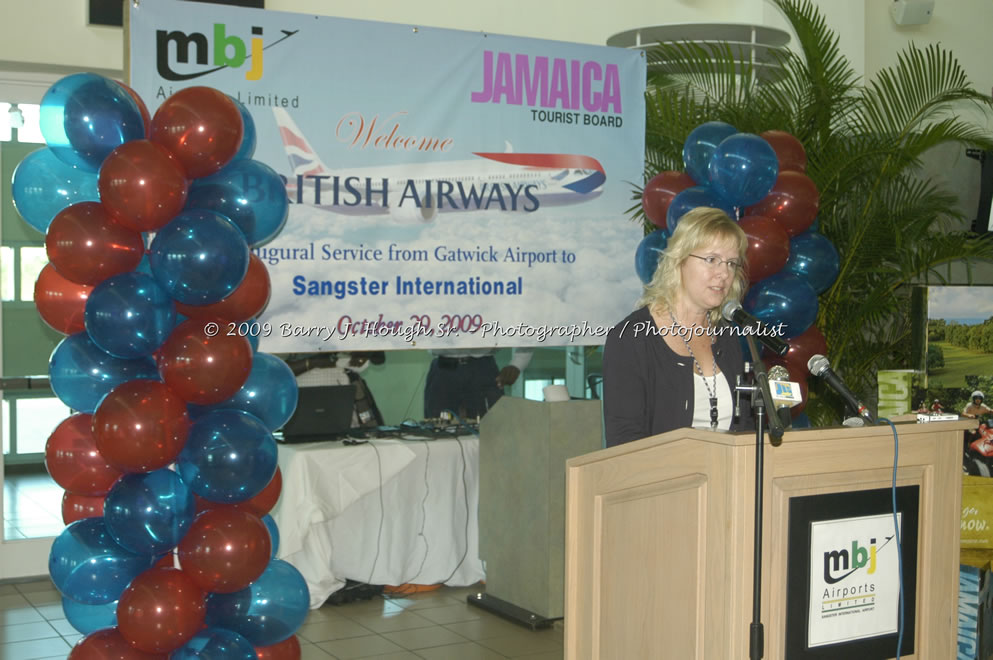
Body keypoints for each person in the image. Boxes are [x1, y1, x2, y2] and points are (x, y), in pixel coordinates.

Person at [602, 207, 754, 447]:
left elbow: (746, 427)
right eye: (712, 260)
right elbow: (624, 441)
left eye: (731, 263)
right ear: (680, 260)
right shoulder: (632, 338)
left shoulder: (726, 336)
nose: (724, 274)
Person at [424, 348, 533, 420]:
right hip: (443, 369)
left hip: (483, 368)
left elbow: (523, 320)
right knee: (438, 429)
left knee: (493, 433)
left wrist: (519, 362)